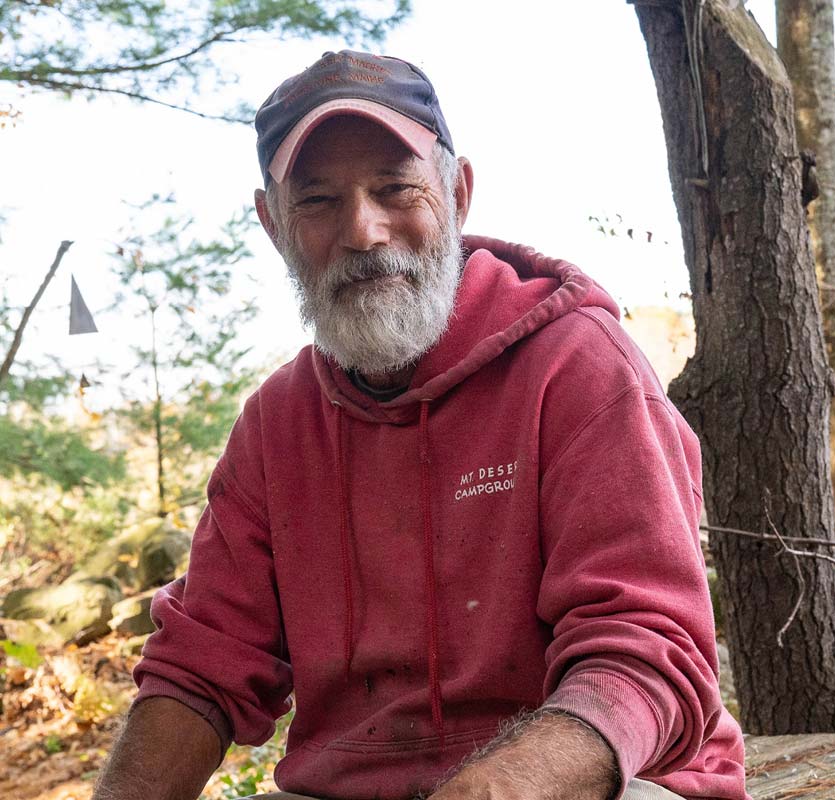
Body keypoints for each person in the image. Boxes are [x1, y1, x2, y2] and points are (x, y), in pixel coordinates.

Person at [92, 50, 748, 800]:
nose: (365, 231)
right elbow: (200, 666)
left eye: (395, 188)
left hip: (601, 780)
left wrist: (494, 789)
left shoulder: (579, 369)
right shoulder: (276, 425)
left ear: (458, 193)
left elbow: (647, 651)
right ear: (273, 224)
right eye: (318, 202)